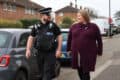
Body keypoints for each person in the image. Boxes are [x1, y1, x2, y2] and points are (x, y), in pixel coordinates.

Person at [26, 8, 62, 80]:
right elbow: (31, 37)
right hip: (39, 53)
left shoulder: (53, 25)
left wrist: (58, 50)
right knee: (41, 74)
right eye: (47, 14)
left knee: (47, 73)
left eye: (49, 14)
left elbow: (59, 36)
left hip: (50, 53)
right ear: (42, 15)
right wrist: (28, 49)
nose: (49, 16)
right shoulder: (36, 26)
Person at [67, 10, 103, 80]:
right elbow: (69, 39)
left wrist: (99, 51)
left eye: (79, 16)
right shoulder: (73, 26)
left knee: (86, 72)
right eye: (77, 16)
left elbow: (99, 40)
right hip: (77, 53)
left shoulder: (93, 26)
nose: (78, 17)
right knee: (80, 71)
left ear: (85, 16)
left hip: (89, 54)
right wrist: (68, 49)